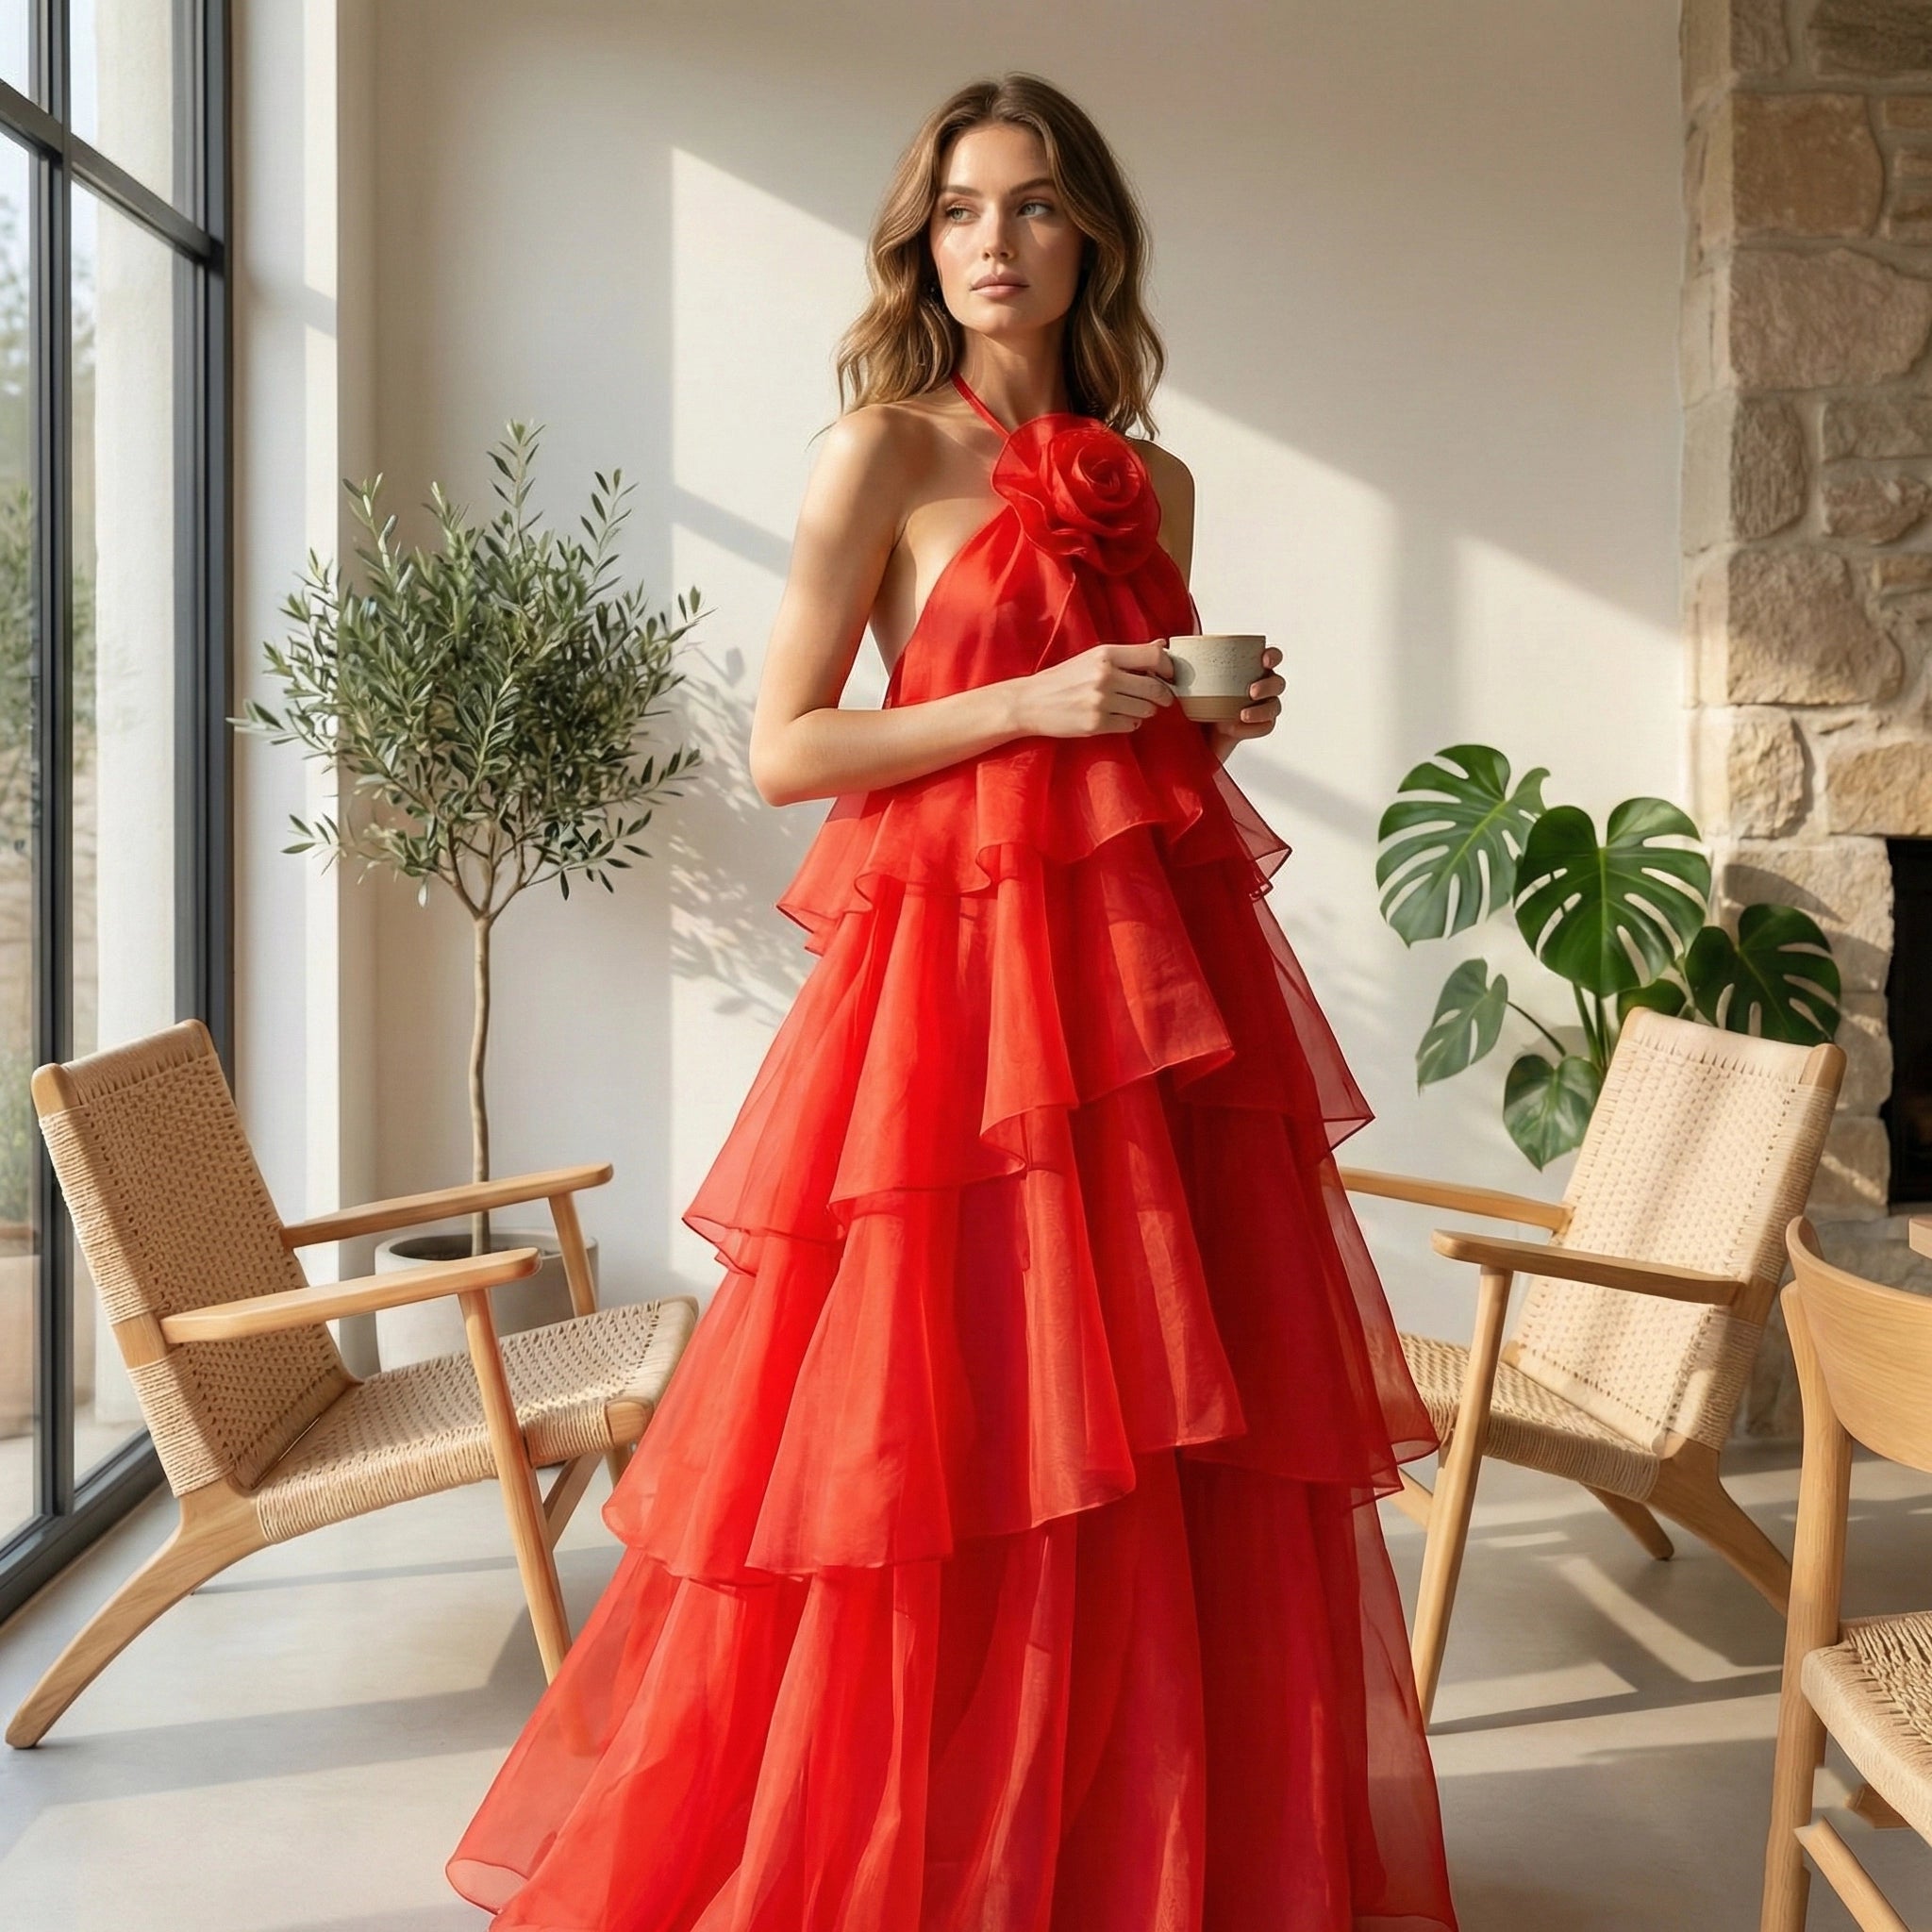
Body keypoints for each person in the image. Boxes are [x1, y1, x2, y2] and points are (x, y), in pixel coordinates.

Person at [449, 70, 1458, 1932]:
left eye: (1038, 206)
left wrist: (1199, 711)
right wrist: (1026, 704)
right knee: (951, 1403)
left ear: (1094, 241)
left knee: (1162, 1405)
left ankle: (1134, 1860)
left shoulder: (1150, 476)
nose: (997, 242)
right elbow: (785, 746)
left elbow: (1123, 719)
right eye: (965, 209)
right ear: (922, 240)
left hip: (1150, 990)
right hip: (958, 1001)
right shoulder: (880, 454)